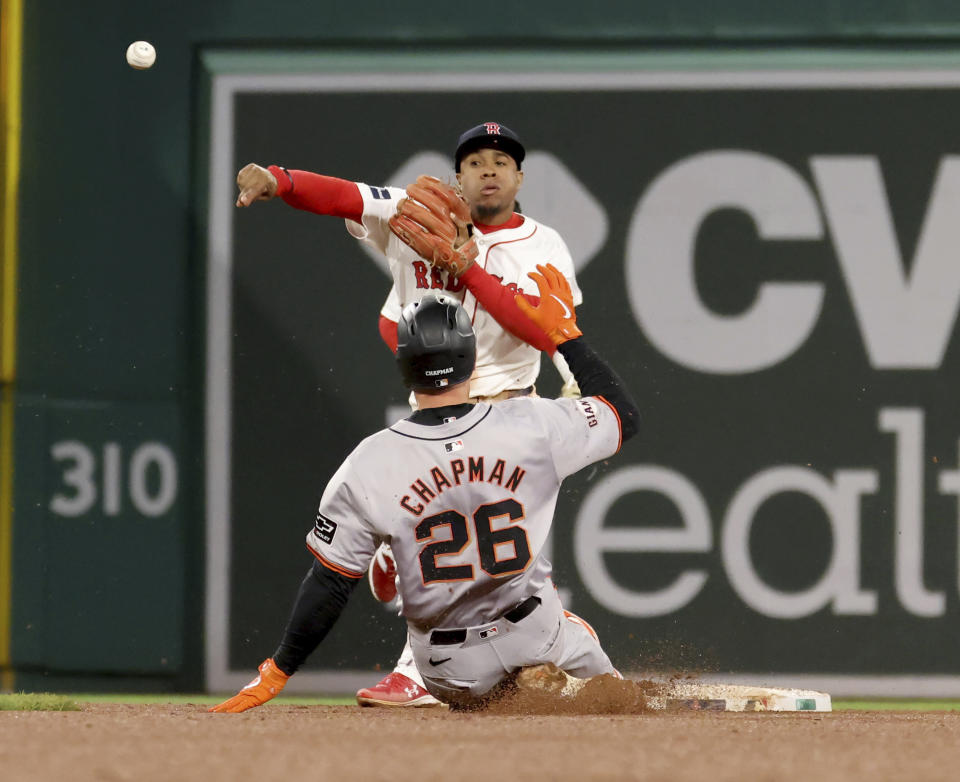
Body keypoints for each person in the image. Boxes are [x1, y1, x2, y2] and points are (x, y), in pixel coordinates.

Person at [234, 122, 584, 707]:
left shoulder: (542, 245)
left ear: (520, 176)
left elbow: (544, 328)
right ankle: (464, 650)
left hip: (509, 413)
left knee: (498, 559)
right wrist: (280, 180)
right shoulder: (414, 214)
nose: (489, 169)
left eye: (501, 160)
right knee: (486, 556)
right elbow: (347, 196)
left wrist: (471, 265)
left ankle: (434, 647)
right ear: (458, 177)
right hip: (437, 407)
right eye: (475, 161)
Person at [209, 264, 639, 713]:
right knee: (592, 667)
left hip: (446, 665)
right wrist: (565, 336)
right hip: (537, 631)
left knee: (470, 683)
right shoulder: (532, 424)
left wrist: (279, 669)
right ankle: (550, 679)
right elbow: (623, 415)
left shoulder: (368, 461)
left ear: (404, 367)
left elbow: (330, 585)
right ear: (473, 359)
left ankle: (497, 691)